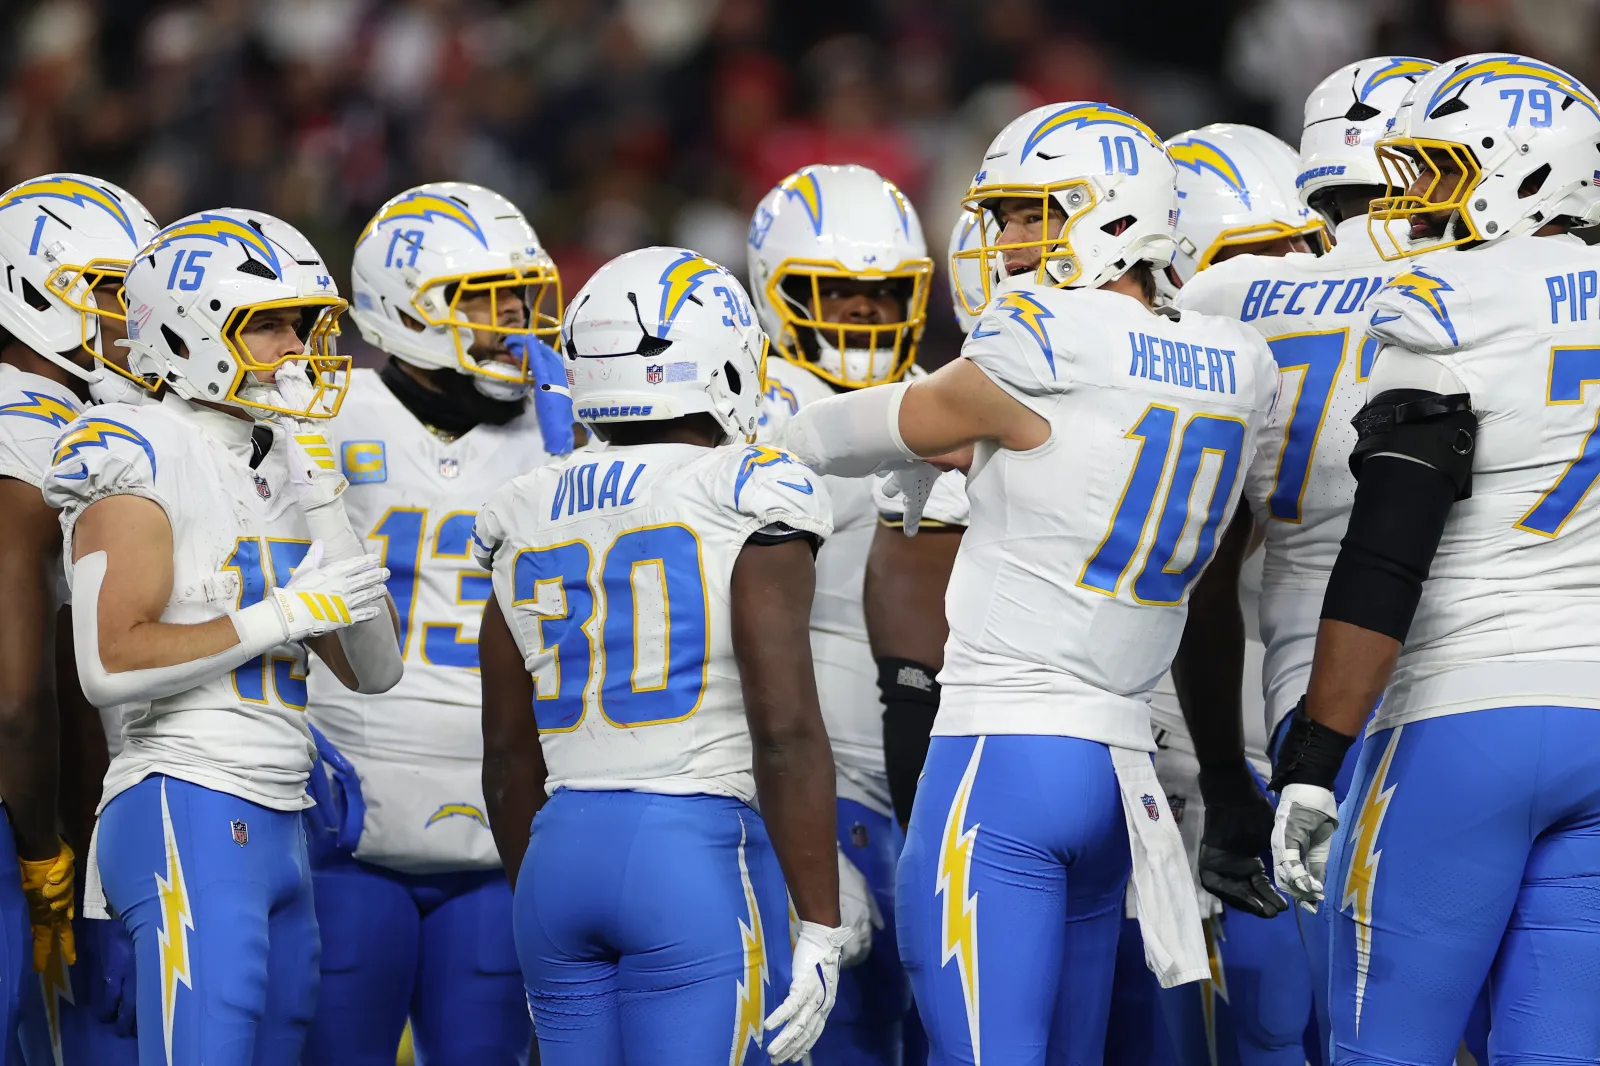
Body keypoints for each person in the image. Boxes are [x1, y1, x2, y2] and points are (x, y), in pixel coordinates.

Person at [778, 100, 1281, 1064]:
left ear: (1115, 215)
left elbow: (869, 426)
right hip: (1119, 772)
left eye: (1033, 214)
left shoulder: (1048, 336)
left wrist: (767, 448)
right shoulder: (1238, 364)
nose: (1007, 241)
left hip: (1003, 760)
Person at [1268, 53, 1600, 1063]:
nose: (1413, 202)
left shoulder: (1446, 297)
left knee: (1386, 1049)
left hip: (1463, 718)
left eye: (1441, 171)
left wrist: (1316, 757)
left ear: (1528, 172)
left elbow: (1386, 551)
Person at [42, 207, 405, 1066]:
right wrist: (282, 615)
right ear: (188, 327)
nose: (295, 345)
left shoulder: (281, 457)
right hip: (186, 796)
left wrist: (323, 502)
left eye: (301, 323)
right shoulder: (134, 446)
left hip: (280, 810)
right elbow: (108, 660)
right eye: (269, 323)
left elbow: (375, 669)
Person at [474, 246, 853, 1066]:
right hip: (694, 849)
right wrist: (821, 923)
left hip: (556, 854)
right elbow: (783, 728)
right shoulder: (744, 486)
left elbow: (506, 752)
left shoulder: (524, 505)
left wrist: (538, 898)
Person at [1170, 60, 1436, 1066]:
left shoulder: (1225, 297)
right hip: (1476, 678)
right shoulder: (1491, 290)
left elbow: (1195, 571)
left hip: (1298, 702)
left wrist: (1225, 790)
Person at [301, 181, 570, 1066]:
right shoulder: (324, 415)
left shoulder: (566, 431)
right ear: (405, 308)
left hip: (503, 812)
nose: (515, 323)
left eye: (523, 299)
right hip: (348, 804)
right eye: (485, 302)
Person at [747, 162, 934, 1065]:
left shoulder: (945, 391)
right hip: (820, 783)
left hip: (930, 770)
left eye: (884, 295)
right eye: (838, 293)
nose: (863, 315)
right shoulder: (750, 406)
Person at [0, 173, 158, 1066]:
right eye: (111, 290)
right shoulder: (35, 431)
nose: (135, 317)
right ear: (32, 290)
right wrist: (44, 852)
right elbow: (19, 692)